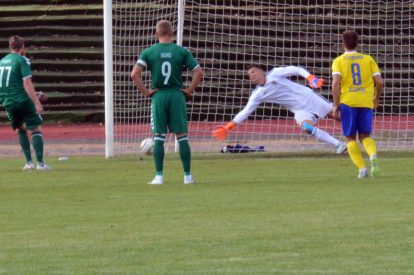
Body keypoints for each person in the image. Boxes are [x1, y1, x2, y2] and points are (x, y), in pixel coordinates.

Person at [131, 19, 204, 185]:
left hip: (159, 96)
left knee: (159, 137)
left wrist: (146, 92)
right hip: (177, 96)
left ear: (156, 33)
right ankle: (187, 177)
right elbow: (199, 72)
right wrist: (189, 90)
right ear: (172, 33)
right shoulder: (181, 51)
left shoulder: (149, 52)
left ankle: (159, 177)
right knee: (182, 137)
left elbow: (134, 74)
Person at [212, 65, 346, 153]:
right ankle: (339, 144)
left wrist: (310, 77)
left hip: (308, 98)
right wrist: (228, 127)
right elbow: (245, 111)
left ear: (260, 70)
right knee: (306, 128)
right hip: (299, 110)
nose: (251, 75)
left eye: (253, 71)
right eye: (249, 74)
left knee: (337, 116)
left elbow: (296, 69)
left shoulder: (274, 74)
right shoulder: (257, 94)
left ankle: (359, 129)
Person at [331, 29, 384, 178]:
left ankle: (362, 169)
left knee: (350, 138)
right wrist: (376, 97)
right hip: (366, 101)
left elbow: (336, 82)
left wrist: (335, 104)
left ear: (343, 44)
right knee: (365, 136)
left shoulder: (339, 61)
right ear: (357, 43)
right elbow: (379, 81)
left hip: (348, 102)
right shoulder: (368, 59)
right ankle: (372, 155)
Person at [0, 35, 50, 171]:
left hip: (7, 101)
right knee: (35, 129)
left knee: (21, 128)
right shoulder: (22, 60)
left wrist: (35, 93)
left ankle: (29, 163)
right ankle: (41, 164)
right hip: (22, 100)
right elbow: (26, 83)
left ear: (10, 46)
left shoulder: (2, 61)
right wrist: (36, 102)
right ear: (22, 46)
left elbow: (12, 85)